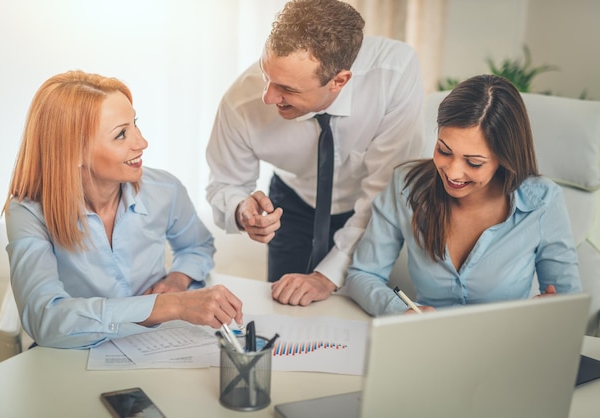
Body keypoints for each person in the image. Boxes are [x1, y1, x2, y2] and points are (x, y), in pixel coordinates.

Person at [206, 0, 424, 306]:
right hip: (292, 204)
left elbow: (384, 192)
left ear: (339, 81)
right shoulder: (241, 101)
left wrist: (326, 277)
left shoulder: (393, 74)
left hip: (370, 209)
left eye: (287, 89)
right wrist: (242, 211)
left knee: (357, 311)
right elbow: (223, 184)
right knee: (286, 308)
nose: (267, 96)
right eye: (265, 74)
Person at [3, 70, 243, 349]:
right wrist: (168, 306)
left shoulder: (164, 188)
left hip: (158, 344)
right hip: (73, 355)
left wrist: (179, 278)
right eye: (121, 134)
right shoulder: (27, 212)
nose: (141, 143)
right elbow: (45, 317)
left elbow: (197, 246)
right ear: (74, 152)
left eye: (135, 124)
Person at [345, 74, 582, 316]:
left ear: (504, 158)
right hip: (427, 342)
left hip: (507, 347)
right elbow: (363, 274)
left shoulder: (542, 202)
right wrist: (401, 311)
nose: (453, 173)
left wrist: (548, 313)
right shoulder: (405, 185)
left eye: (474, 162)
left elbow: (568, 303)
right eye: (444, 151)